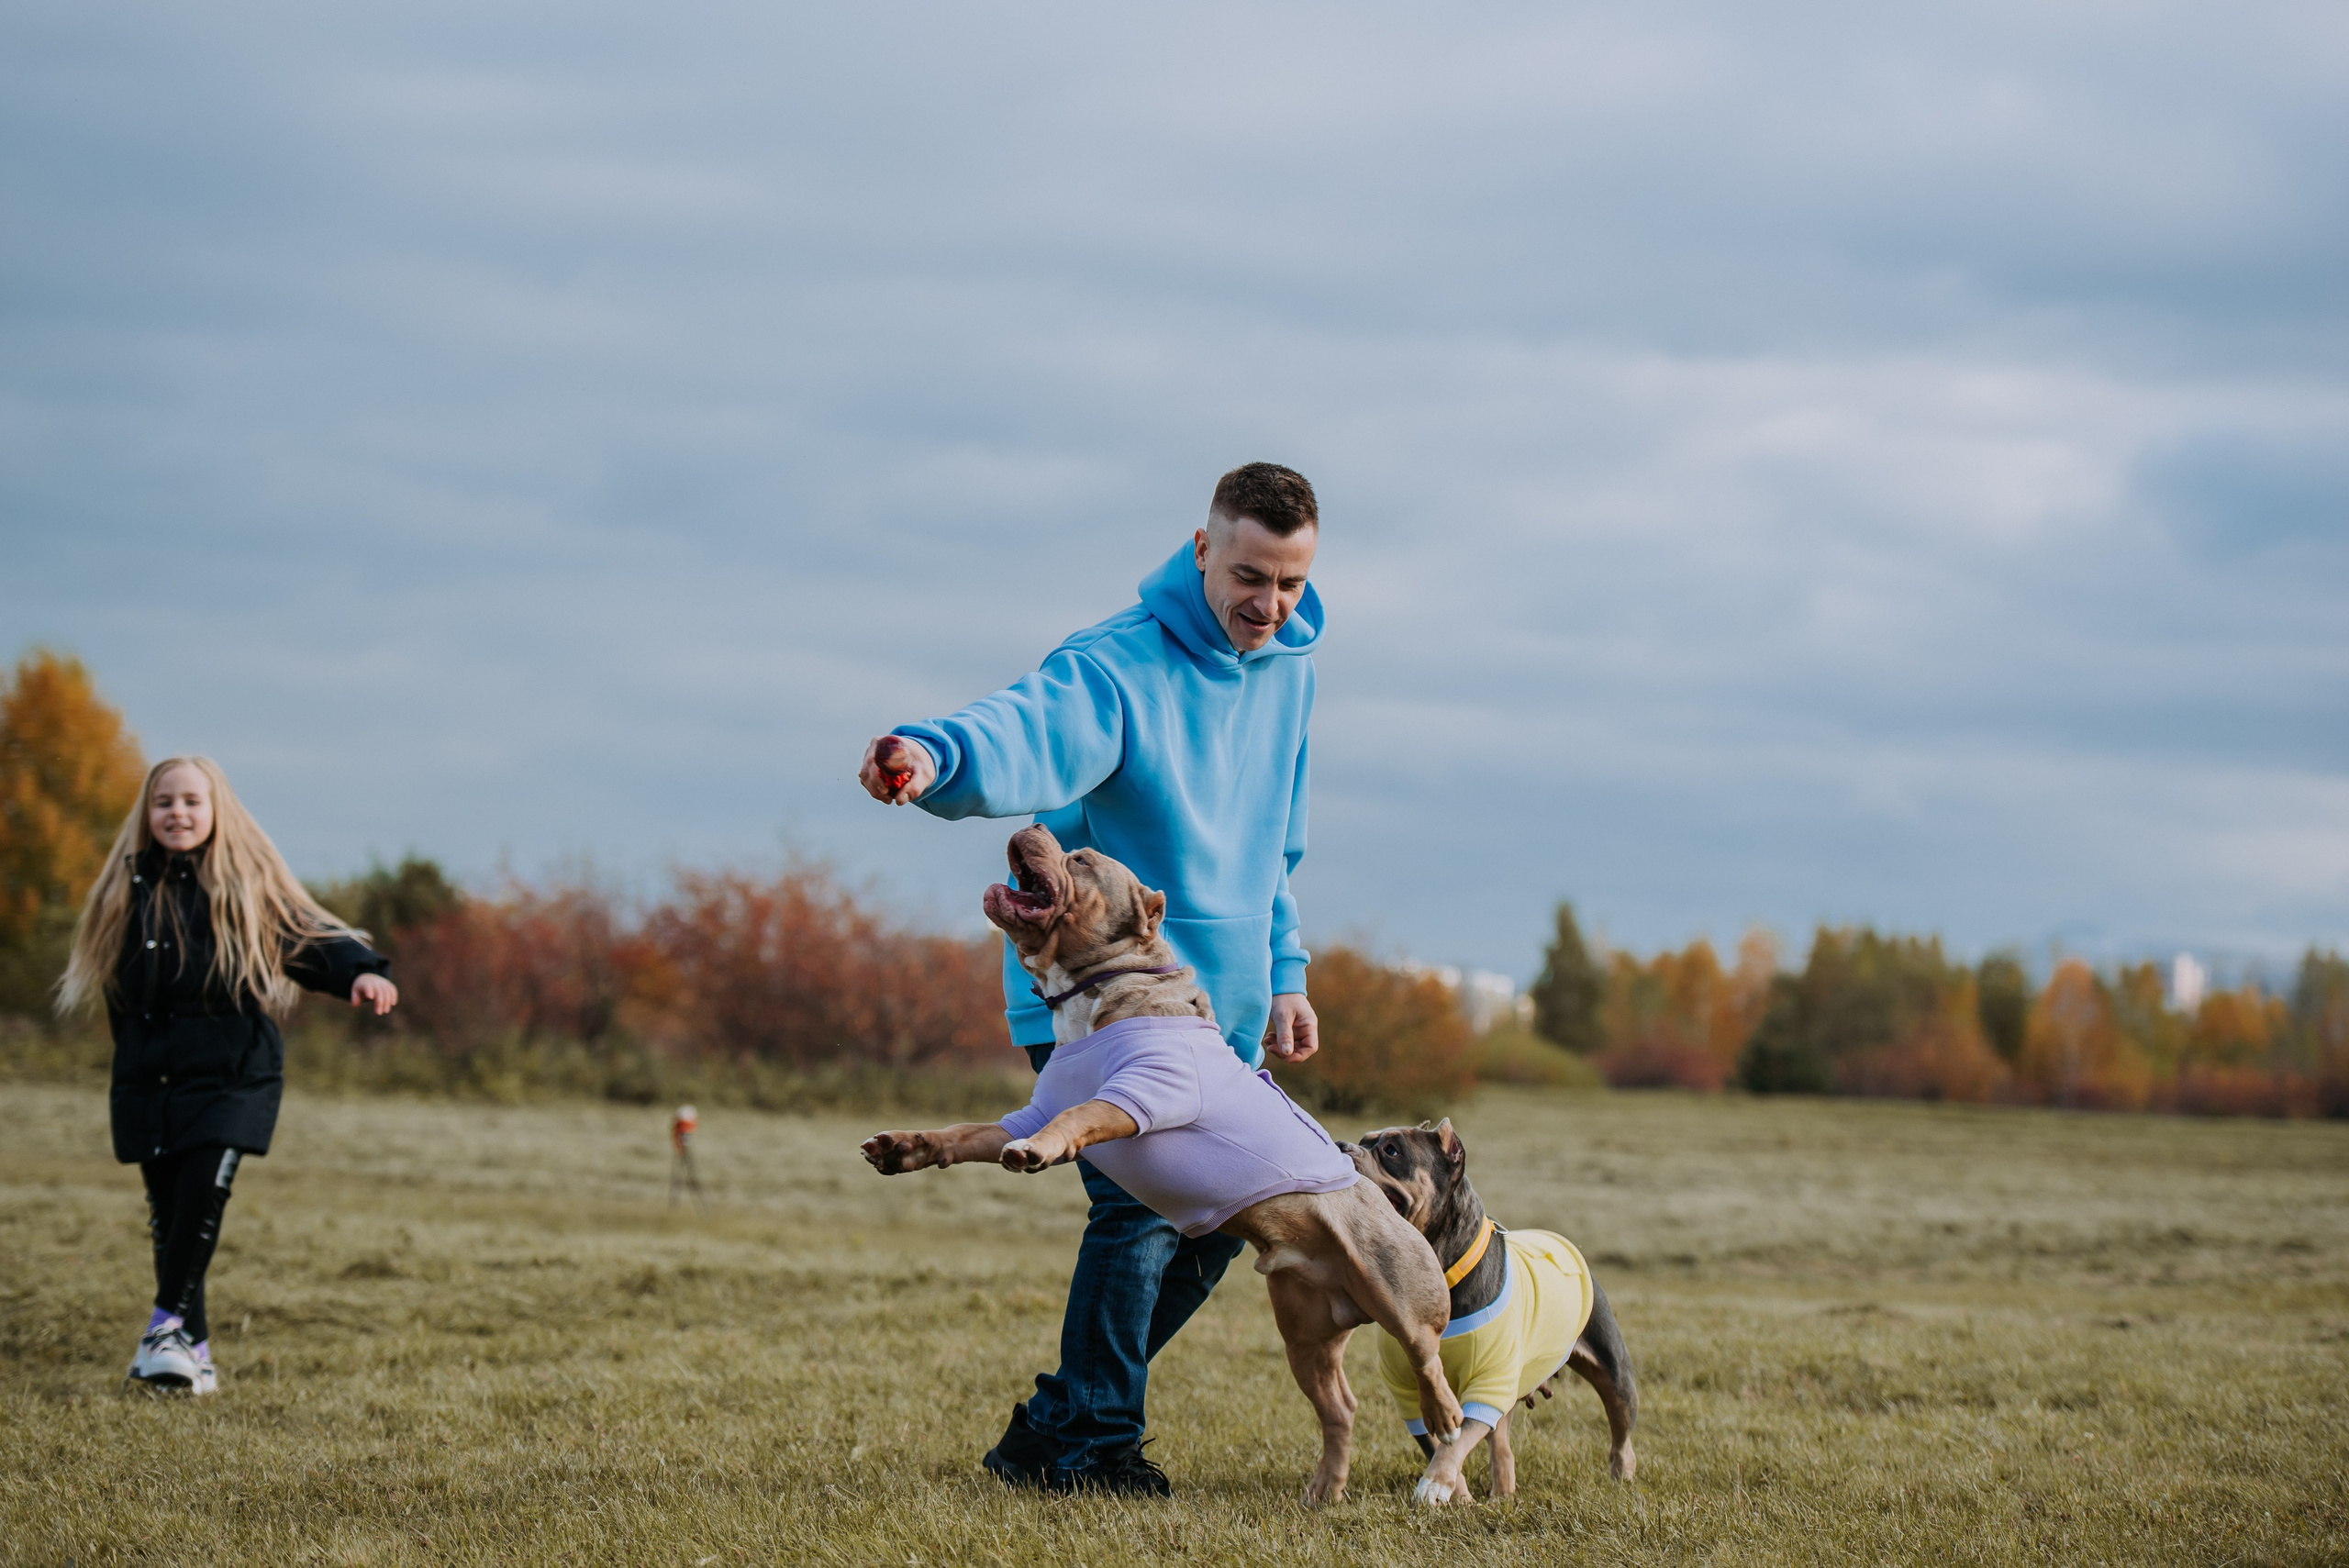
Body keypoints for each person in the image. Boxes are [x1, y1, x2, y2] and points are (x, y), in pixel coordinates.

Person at [856, 461, 1325, 1495]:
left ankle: (1060, 1423)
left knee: (1232, 1210)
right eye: (1250, 575)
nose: (1270, 604)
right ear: (1201, 550)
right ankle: (1092, 1444)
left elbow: (1273, 845)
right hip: (1097, 996)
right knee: (1140, 1210)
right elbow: (1025, 725)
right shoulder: (1115, 664)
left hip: (1220, 1004)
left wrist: (1285, 972)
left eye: (1291, 582)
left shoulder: (1291, 667)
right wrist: (931, 754)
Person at [59, 756, 397, 1394]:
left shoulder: (243, 885)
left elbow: (308, 936)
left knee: (202, 1194)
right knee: (170, 1214)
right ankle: (196, 1352)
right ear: (146, 812)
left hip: (232, 1075)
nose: (177, 813)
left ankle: (163, 1329)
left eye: (191, 801)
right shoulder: (123, 890)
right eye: (164, 801)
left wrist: (359, 970)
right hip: (150, 1080)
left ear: (216, 812)